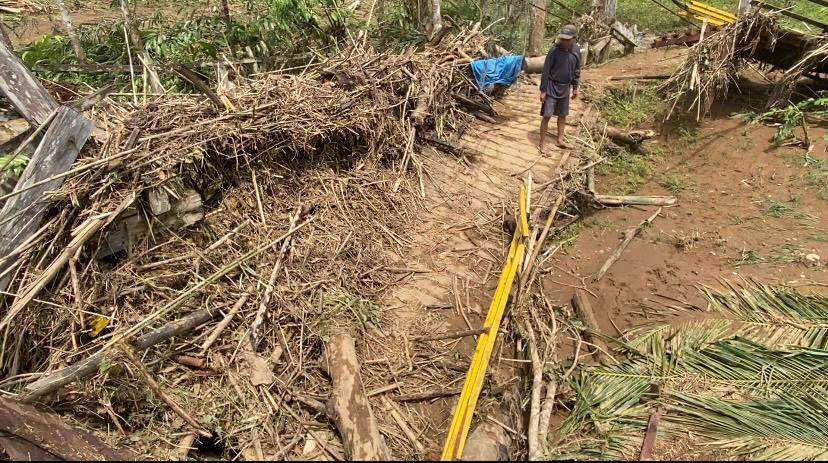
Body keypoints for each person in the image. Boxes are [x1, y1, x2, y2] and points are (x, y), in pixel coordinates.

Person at [539, 24, 581, 154]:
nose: (564, 42)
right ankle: (542, 143)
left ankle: (560, 139)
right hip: (552, 86)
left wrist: (575, 87)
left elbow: (577, 70)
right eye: (563, 39)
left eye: (567, 40)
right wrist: (543, 90)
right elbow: (546, 70)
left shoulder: (576, 50)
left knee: (563, 115)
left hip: (565, 88)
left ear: (573, 39)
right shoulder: (554, 50)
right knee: (547, 115)